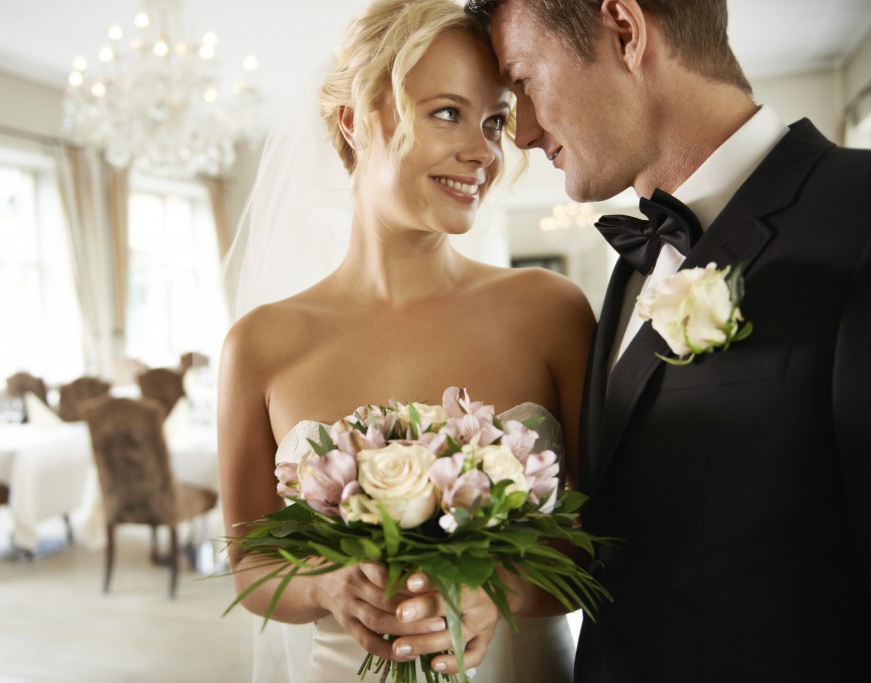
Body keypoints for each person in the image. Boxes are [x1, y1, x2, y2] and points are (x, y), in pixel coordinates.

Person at [466, 0, 871, 681]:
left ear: (624, 31)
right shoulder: (629, 270)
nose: (524, 132)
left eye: (526, 81)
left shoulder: (858, 218)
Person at [217, 0, 596, 680]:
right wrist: (326, 585)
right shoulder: (260, 345)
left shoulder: (551, 311)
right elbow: (249, 565)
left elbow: (607, 543)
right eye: (446, 112)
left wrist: (499, 592)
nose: (484, 151)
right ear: (354, 121)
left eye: (494, 121)